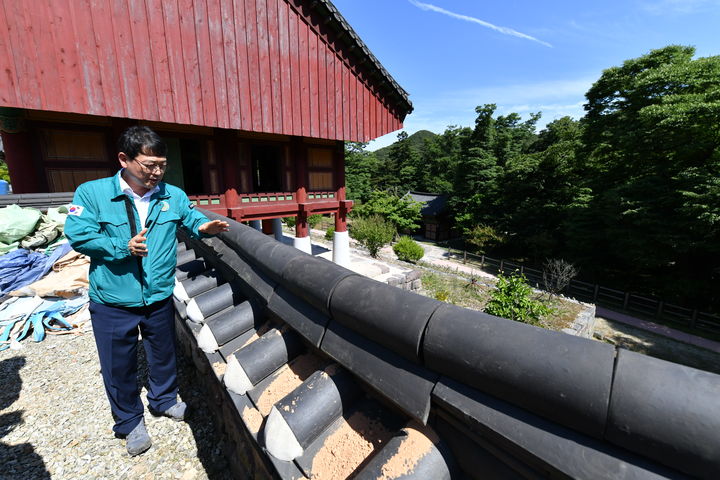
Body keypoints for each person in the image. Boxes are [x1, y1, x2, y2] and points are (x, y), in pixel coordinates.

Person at [65, 126, 229, 456]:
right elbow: (78, 235)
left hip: (157, 294)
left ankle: (164, 400)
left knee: (162, 353)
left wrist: (203, 227)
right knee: (118, 364)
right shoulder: (91, 193)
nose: (156, 173)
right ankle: (128, 421)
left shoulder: (173, 195)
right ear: (124, 159)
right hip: (113, 298)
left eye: (161, 165)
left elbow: (190, 217)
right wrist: (121, 246)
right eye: (149, 165)